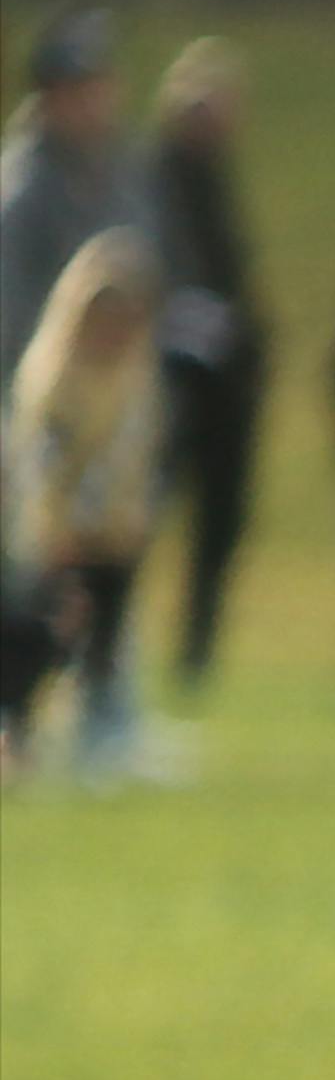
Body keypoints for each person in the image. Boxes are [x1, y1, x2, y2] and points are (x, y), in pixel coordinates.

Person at [4, 227, 161, 775]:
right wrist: (57, 531)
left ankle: (104, 735)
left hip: (113, 541)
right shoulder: (55, 382)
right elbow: (44, 467)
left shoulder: (132, 381)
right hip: (63, 540)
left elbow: (132, 466)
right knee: (42, 641)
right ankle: (22, 738)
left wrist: (130, 522)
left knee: (106, 645)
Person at [148, 38, 266, 695]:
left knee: (220, 523)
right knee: (143, 516)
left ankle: (197, 648)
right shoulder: (154, 177)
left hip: (227, 387)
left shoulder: (219, 180)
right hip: (173, 378)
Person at [0, 9, 150, 391]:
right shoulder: (20, 189)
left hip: (126, 381)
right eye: (77, 92)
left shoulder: (127, 170)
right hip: (41, 389)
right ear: (48, 100)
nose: (92, 104)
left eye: (99, 86)